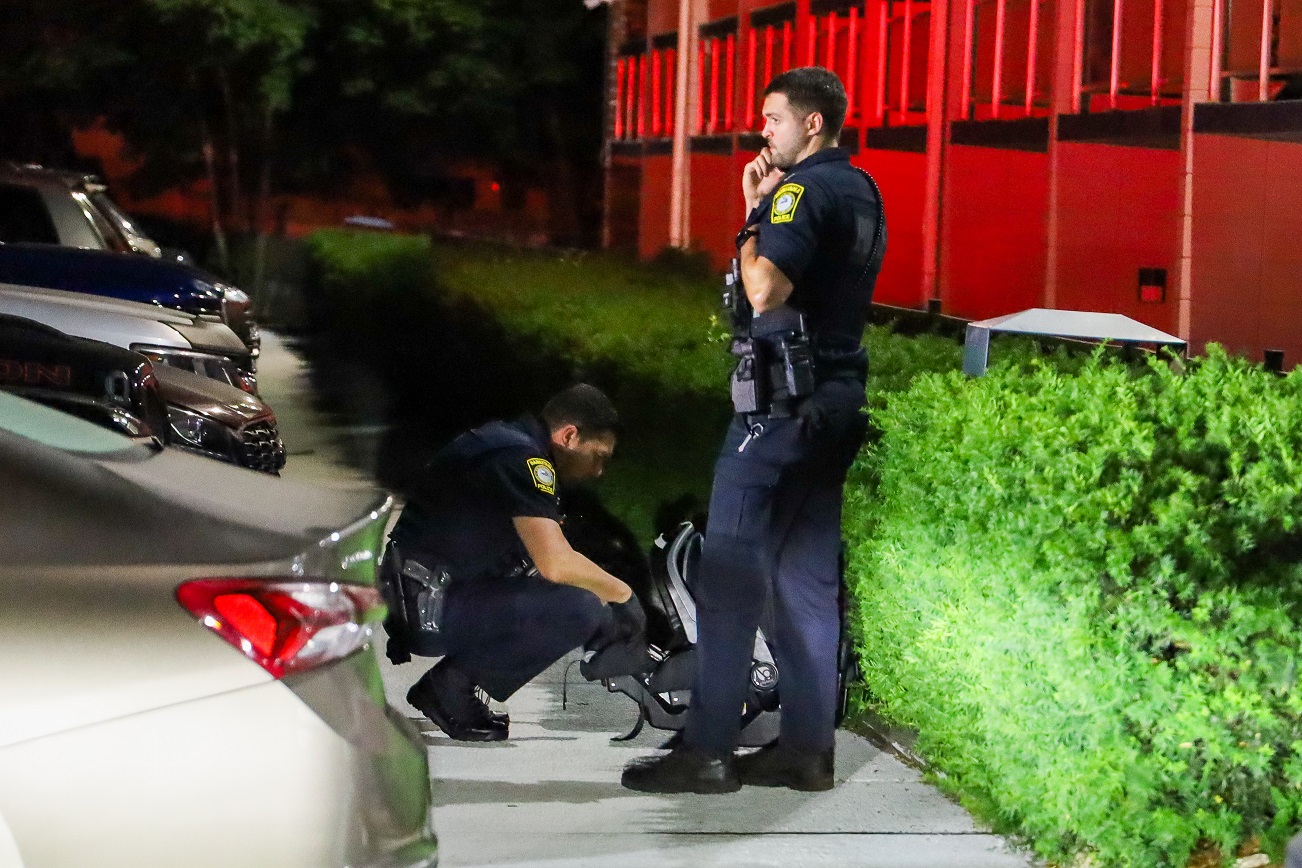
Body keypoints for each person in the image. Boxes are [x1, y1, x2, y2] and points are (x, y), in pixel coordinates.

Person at [622, 66, 886, 793]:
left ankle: (707, 750)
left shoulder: (800, 192)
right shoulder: (862, 188)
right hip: (834, 399)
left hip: (778, 409)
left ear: (811, 123)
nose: (763, 130)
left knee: (730, 576)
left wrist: (752, 218)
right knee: (806, 581)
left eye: (773, 118)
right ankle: (806, 750)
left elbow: (764, 289)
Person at [383, 383, 647, 741]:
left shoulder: (507, 444)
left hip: (423, 591)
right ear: (569, 436)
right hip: (429, 604)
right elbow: (555, 563)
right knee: (579, 608)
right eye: (598, 455)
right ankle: (449, 689)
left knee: (578, 592)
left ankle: (450, 684)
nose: (599, 470)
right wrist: (624, 595)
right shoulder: (523, 461)